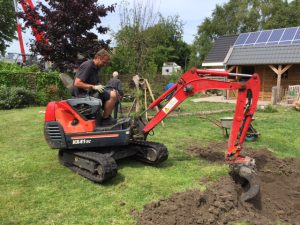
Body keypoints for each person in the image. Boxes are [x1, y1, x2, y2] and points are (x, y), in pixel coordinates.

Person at [73, 49, 118, 126]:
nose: (104, 65)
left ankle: (106, 118)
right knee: (113, 95)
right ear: (98, 57)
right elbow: (77, 83)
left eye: (106, 63)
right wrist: (93, 87)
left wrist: (105, 88)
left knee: (114, 93)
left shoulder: (96, 68)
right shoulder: (88, 65)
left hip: (90, 93)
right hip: (83, 95)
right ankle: (105, 119)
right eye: (104, 62)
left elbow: (96, 83)